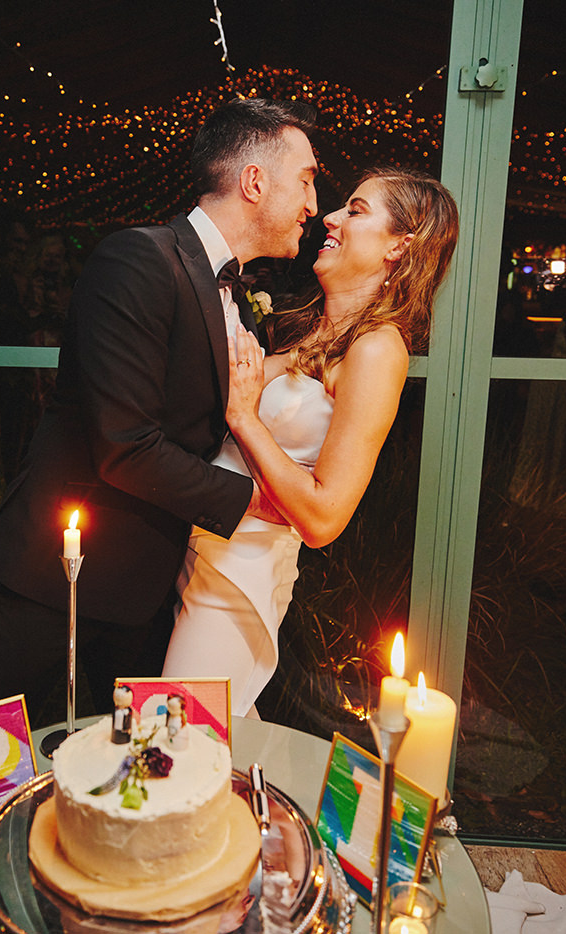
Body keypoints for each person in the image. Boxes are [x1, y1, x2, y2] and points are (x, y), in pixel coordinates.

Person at [0, 99, 320, 716]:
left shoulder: (237, 293)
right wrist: (261, 502)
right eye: (305, 180)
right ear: (254, 182)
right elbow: (126, 447)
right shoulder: (139, 259)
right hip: (50, 578)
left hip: (146, 592)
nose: (312, 204)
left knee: (141, 764)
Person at [162, 167, 459, 717]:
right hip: (202, 549)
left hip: (241, 576)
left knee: (179, 734)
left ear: (399, 246)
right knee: (209, 738)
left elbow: (324, 518)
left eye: (356, 210)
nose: (331, 217)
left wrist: (245, 418)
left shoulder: (378, 350)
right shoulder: (311, 330)